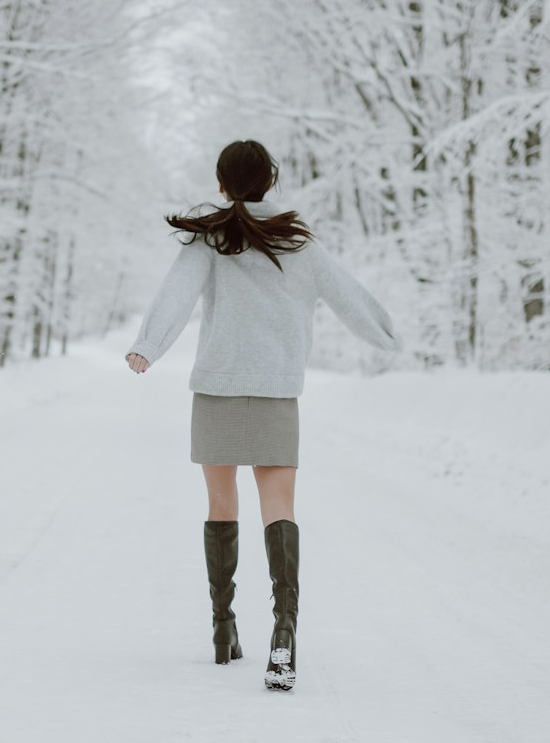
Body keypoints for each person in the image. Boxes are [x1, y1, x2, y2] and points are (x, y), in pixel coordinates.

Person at [125, 139, 401, 692]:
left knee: (221, 502)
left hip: (219, 389)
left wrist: (148, 346)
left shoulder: (213, 237)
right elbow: (348, 295)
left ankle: (223, 627)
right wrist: (386, 336)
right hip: (276, 391)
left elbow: (176, 291)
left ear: (222, 182)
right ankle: (285, 631)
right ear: (269, 182)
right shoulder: (300, 242)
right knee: (279, 506)